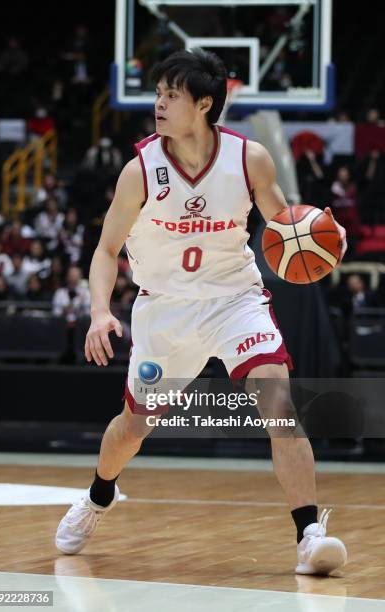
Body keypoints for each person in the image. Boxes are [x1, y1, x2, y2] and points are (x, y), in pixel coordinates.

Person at [56, 49, 348, 576]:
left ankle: (309, 534)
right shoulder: (140, 170)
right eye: (158, 94)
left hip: (235, 300)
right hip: (165, 311)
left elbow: (285, 229)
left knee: (278, 402)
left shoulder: (250, 158)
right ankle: (98, 496)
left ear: (205, 103)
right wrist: (100, 311)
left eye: (172, 95)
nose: (159, 104)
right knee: (133, 428)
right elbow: (105, 252)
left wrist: (327, 238)